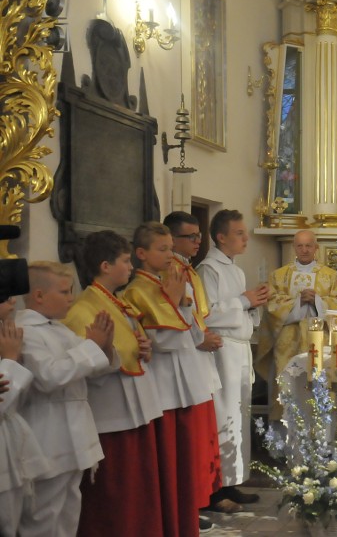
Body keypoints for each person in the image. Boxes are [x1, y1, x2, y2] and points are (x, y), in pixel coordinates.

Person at [64, 231, 164, 537]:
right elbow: (83, 362)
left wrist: (143, 347)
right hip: (110, 413)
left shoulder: (117, 302)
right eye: (124, 261)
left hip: (132, 410)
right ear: (105, 266)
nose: (131, 266)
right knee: (116, 493)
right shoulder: (83, 309)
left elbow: (128, 343)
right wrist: (113, 352)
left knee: (137, 488)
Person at [123, 222, 219, 536]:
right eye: (162, 249)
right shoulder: (137, 290)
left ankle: (185, 513)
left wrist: (180, 303)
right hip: (163, 383)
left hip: (184, 380)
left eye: (169, 248)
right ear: (141, 253)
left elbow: (191, 334)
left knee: (186, 459)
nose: (169, 254)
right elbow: (160, 342)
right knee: (169, 459)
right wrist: (174, 302)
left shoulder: (174, 280)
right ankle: (171, 518)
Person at [17, 262, 115, 537]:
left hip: (74, 435)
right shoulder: (25, 331)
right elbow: (49, 377)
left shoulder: (59, 330)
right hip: (47, 434)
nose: (71, 297)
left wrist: (105, 346)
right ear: (38, 296)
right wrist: (91, 346)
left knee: (68, 514)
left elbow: (91, 370)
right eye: (64, 291)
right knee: (42, 518)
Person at [197, 210, 269, 509]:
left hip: (238, 347)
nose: (245, 238)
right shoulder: (208, 269)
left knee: (238, 416)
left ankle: (233, 481)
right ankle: (214, 489)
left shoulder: (236, 270)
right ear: (221, 236)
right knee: (222, 417)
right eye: (239, 233)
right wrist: (244, 301)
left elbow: (241, 310)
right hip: (221, 349)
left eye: (244, 232)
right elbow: (207, 313)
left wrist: (255, 305)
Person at [162, 212, 225, 521]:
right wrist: (200, 338)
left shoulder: (186, 269)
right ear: (171, 239)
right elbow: (174, 315)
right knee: (189, 438)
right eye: (191, 237)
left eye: (200, 236)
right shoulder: (171, 271)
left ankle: (198, 499)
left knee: (201, 436)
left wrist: (202, 335)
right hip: (182, 361)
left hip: (195, 357)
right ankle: (190, 504)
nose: (199, 241)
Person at [255, 229, 337, 419]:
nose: (304, 250)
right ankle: (287, 441)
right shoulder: (279, 275)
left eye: (309, 245)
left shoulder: (331, 276)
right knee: (287, 389)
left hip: (320, 341)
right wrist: (298, 302)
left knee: (320, 388)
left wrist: (317, 301)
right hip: (287, 344)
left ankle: (323, 441)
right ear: (294, 248)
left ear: (316, 248)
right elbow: (271, 306)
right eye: (300, 245)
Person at [0, 297, 49, 537]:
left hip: (10, 439)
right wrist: (9, 359)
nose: (13, 300)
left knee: (14, 521)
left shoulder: (7, 333)